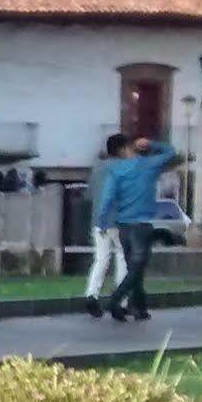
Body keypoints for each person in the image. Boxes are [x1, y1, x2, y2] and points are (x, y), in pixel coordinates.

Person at [95, 135, 179, 322]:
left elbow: (107, 199)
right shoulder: (148, 165)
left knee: (135, 268)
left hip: (123, 225)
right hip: (141, 225)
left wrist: (102, 222)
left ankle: (139, 308)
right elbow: (171, 152)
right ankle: (115, 300)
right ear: (127, 146)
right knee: (137, 267)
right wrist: (152, 143)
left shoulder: (115, 170)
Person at [82, 134, 129, 318]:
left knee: (101, 259)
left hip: (98, 222)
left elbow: (89, 195)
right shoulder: (124, 169)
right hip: (118, 220)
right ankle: (120, 299)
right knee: (122, 257)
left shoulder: (97, 169)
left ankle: (91, 294)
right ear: (121, 149)